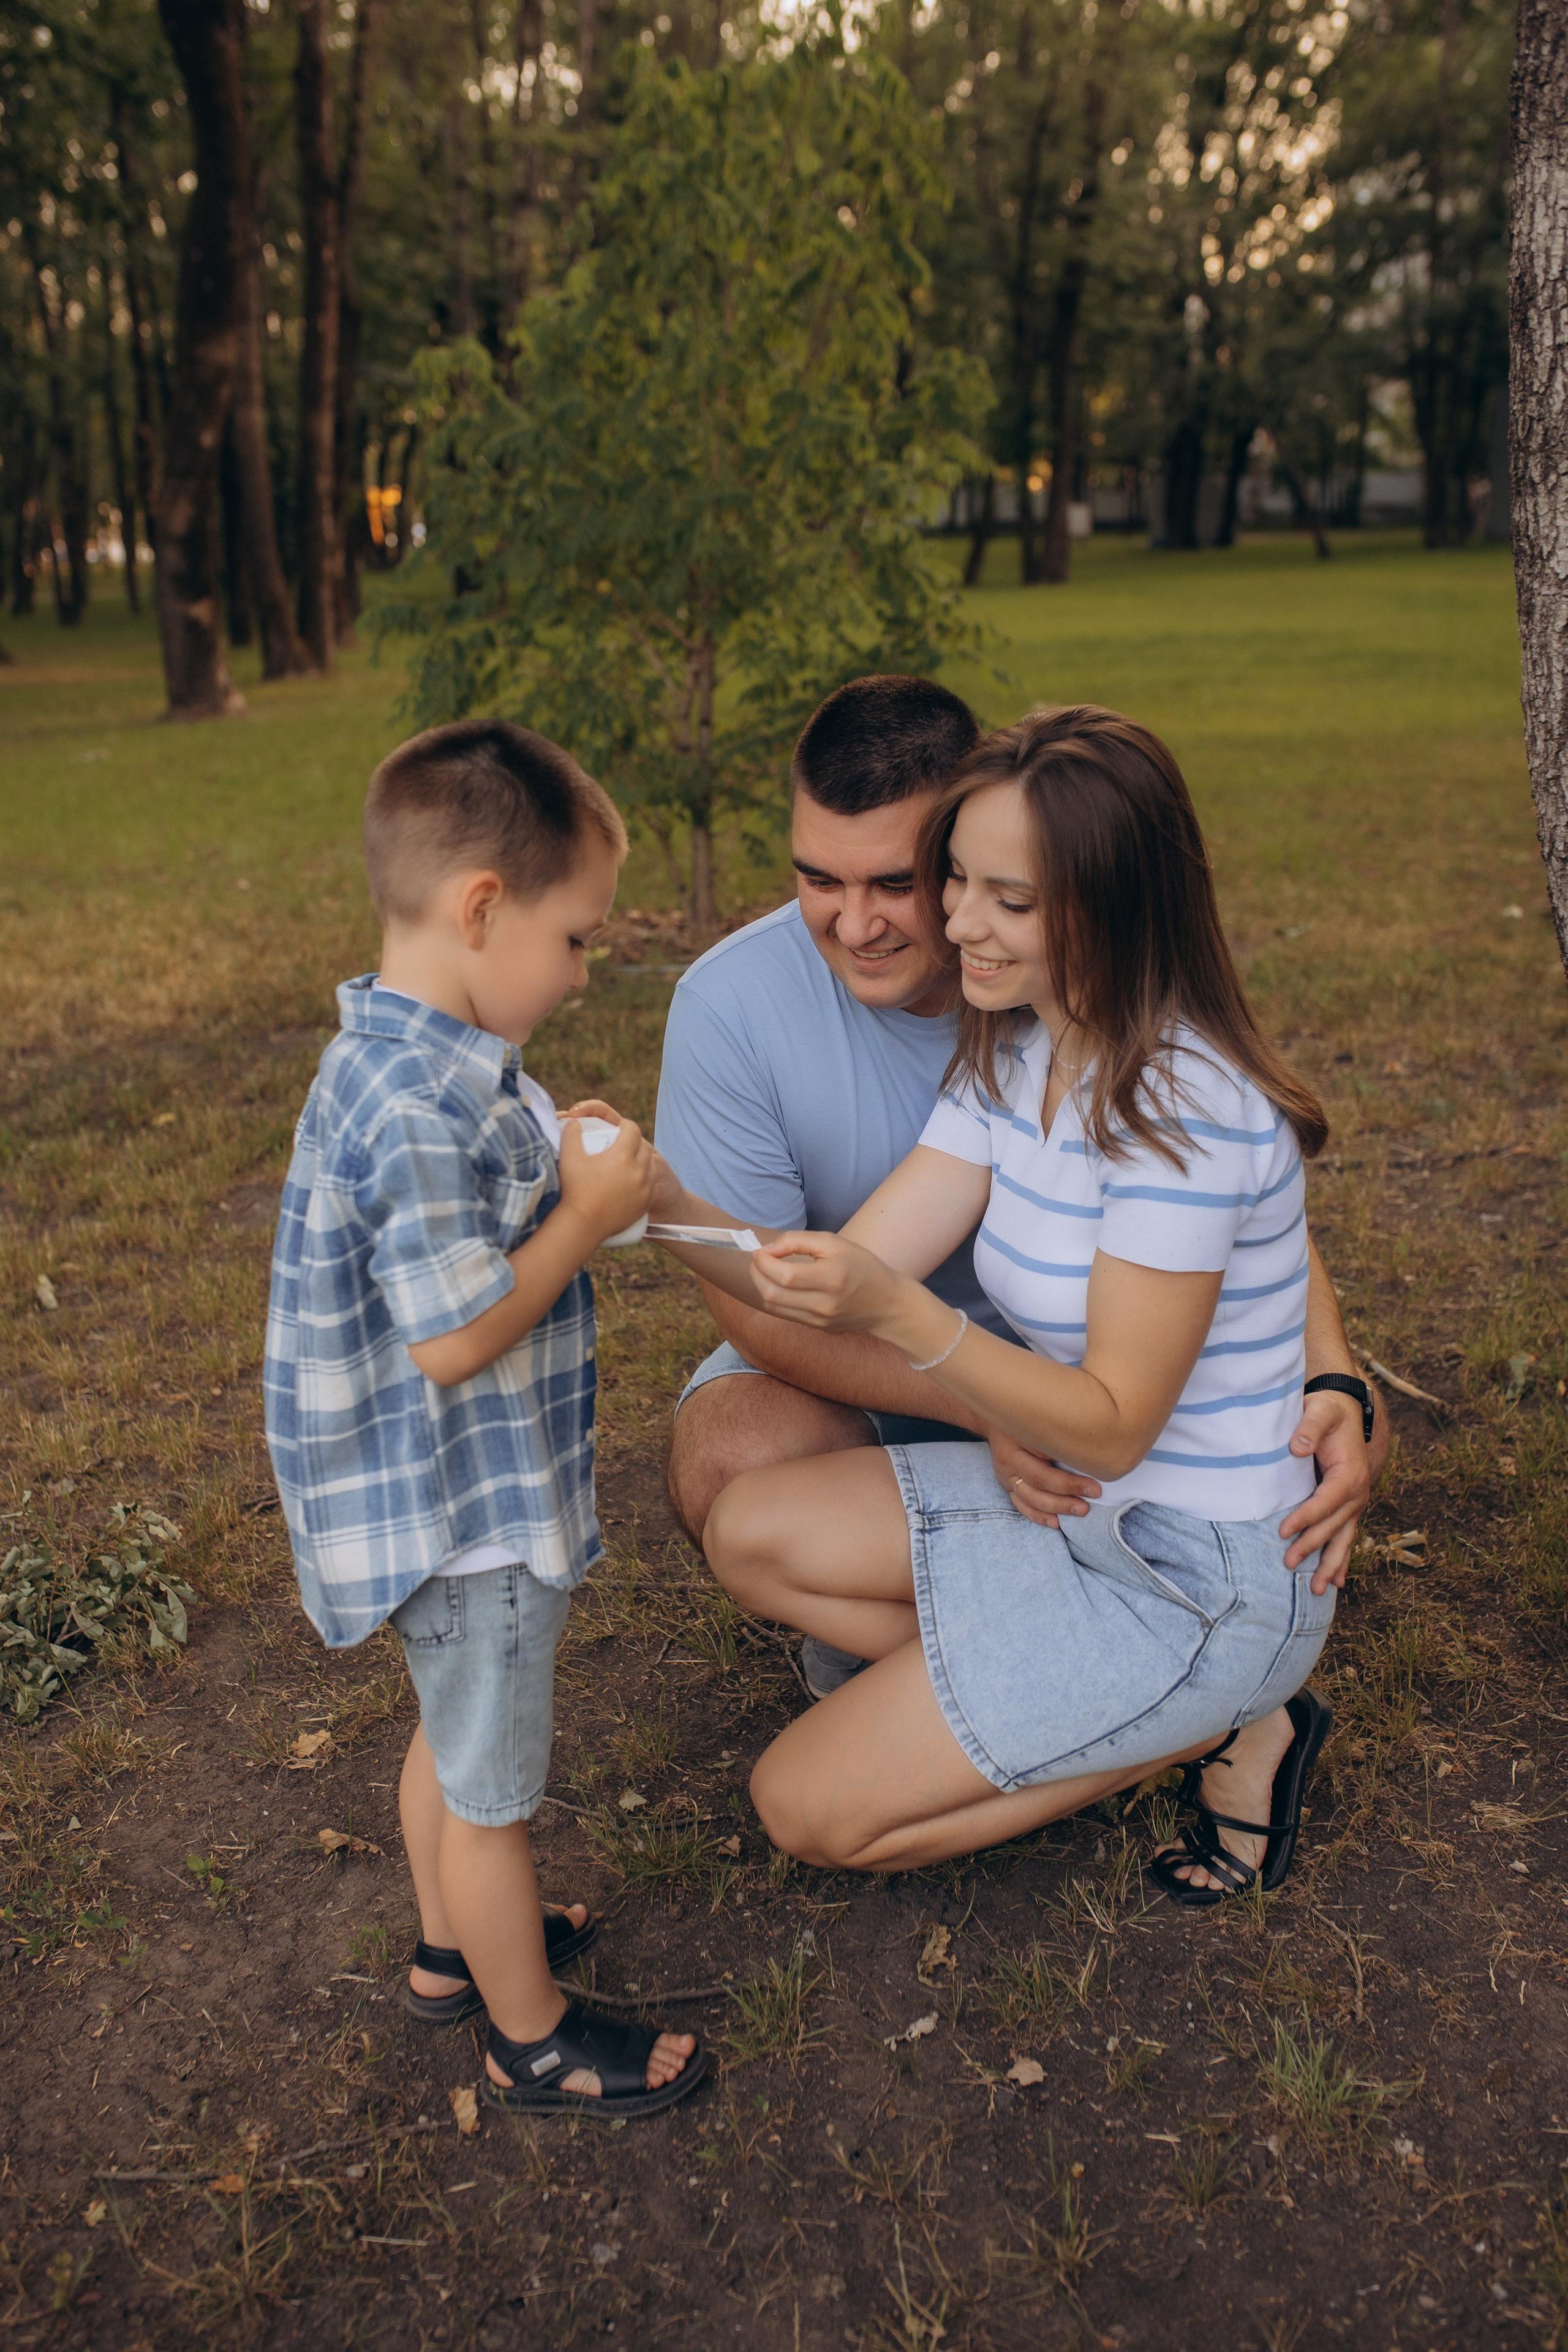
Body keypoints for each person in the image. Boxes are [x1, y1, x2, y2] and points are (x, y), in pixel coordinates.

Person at [650, 705, 1359, 1901]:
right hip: (1078, 1502)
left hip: (1196, 1558)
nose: (953, 922)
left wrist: (910, 1317)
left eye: (998, 899)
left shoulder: (1180, 1110)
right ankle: (1072, 1693)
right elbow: (822, 1283)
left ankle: (1217, 1714)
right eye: (961, 885)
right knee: (752, 1525)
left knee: (801, 1807)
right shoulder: (1013, 1051)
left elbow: (1111, 1422)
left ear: (1101, 906)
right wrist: (648, 1205)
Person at [263, 719, 704, 2118]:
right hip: (465, 1516)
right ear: (481, 908)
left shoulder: (434, 1056)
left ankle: (452, 1951)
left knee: (450, 1750)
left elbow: (480, 1236)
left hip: (435, 1496)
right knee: (492, 1796)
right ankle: (532, 2037)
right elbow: (455, 1335)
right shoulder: (405, 1102)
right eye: (576, 938)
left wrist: (565, 1175)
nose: (583, 971)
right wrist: (579, 1216)